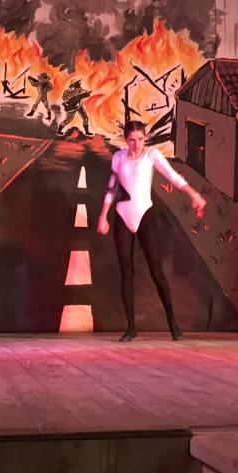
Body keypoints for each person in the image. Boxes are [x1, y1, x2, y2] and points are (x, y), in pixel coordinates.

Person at [97, 121, 206, 341]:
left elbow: (173, 176)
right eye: (131, 140)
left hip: (145, 215)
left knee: (156, 269)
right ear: (125, 140)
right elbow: (112, 187)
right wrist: (103, 215)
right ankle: (131, 328)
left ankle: (173, 324)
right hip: (122, 215)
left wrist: (194, 194)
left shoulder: (151, 155)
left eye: (140, 139)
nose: (136, 144)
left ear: (145, 138)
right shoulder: (118, 157)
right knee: (126, 271)